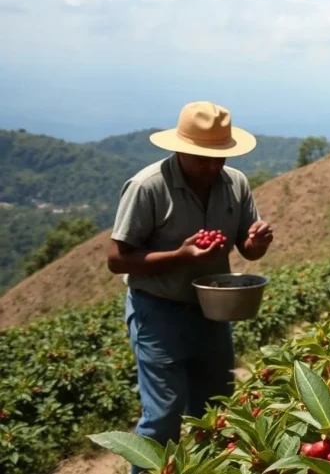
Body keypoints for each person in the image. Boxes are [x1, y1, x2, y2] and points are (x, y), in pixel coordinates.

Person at [106, 101, 273, 471]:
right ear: (180, 149)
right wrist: (180, 255)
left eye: (219, 158)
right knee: (163, 416)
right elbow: (117, 259)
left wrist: (256, 244)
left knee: (214, 410)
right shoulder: (148, 187)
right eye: (203, 158)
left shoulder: (236, 184)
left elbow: (246, 245)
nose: (213, 167)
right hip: (159, 312)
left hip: (212, 313)